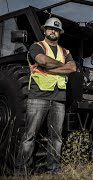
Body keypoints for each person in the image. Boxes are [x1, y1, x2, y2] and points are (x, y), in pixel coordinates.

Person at [15, 17, 76, 175]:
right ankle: (22, 171)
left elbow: (72, 67)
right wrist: (60, 66)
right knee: (30, 135)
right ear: (45, 30)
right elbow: (42, 61)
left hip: (59, 98)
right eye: (50, 28)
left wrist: (51, 67)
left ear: (60, 33)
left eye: (56, 29)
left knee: (56, 138)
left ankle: (53, 171)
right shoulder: (37, 46)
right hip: (38, 96)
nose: (53, 31)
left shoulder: (65, 51)